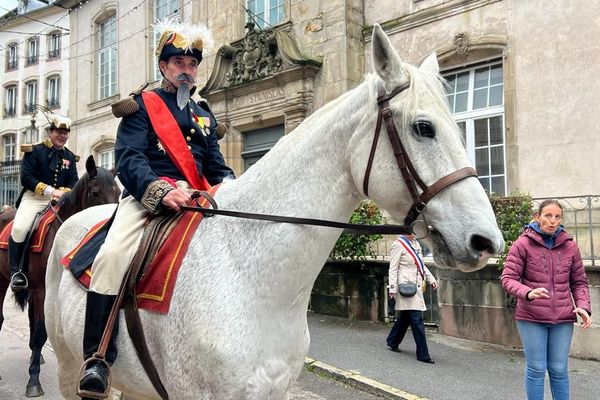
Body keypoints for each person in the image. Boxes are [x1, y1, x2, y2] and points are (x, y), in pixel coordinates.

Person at [78, 20, 235, 398]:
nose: (186, 70)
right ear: (163, 67)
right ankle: (97, 358)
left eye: (192, 64)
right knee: (112, 256)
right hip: (149, 199)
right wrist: (159, 190)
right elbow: (129, 158)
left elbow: (216, 167)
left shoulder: (203, 115)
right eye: (178, 62)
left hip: (198, 199)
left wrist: (232, 187)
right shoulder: (142, 106)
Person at [501, 200, 592, 400]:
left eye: (557, 217)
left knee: (559, 369)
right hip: (531, 317)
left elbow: (579, 282)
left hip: (563, 318)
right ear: (537, 217)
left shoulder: (570, 247)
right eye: (548, 216)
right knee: (536, 369)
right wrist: (527, 292)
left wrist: (583, 306)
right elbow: (508, 279)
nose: (552, 221)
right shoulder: (522, 244)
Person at [9, 115, 78, 291]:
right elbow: (26, 178)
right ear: (50, 132)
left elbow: (73, 182)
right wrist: (50, 191)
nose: (63, 136)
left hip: (60, 201)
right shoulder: (35, 151)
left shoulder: (70, 157)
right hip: (34, 198)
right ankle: (16, 272)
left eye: (66, 133)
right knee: (20, 228)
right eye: (59, 132)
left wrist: (64, 192)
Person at [386, 233, 438, 364]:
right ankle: (423, 354)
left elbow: (421, 265)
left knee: (406, 317)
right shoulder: (398, 245)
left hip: (416, 286)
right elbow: (393, 268)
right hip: (405, 287)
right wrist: (392, 288)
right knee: (417, 319)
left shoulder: (416, 244)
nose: (415, 232)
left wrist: (431, 279)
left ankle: (392, 341)